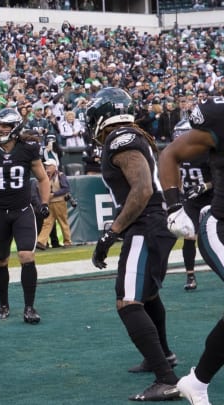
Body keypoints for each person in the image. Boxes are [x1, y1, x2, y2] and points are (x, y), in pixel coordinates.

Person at [86, 87, 180, 401]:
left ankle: (166, 379)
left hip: (147, 224)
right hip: (153, 224)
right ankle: (163, 355)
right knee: (148, 294)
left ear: (102, 116)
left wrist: (111, 233)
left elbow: (140, 189)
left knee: (127, 301)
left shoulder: (120, 139)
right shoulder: (130, 135)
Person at [158, 95, 224, 405]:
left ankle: (195, 383)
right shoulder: (218, 115)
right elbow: (170, 153)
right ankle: (197, 383)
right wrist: (174, 206)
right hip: (221, 226)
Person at [0, 108, 51, 323]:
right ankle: (3, 304)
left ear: (15, 127)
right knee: (0, 260)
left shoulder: (28, 149)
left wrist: (44, 203)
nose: (1, 129)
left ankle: (29, 307)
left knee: (26, 256)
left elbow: (43, 179)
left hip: (22, 211)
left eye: (5, 125)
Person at [170, 119, 213, 291]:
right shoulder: (174, 155)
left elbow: (220, 178)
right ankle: (190, 275)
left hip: (211, 196)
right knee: (189, 235)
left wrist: (205, 186)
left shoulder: (207, 153)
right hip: (191, 199)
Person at [36, 160, 73, 249]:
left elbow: (66, 188)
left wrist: (54, 194)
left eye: (49, 166)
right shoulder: (46, 177)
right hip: (49, 203)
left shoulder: (60, 176)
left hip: (59, 202)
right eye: (46, 166)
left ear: (54, 166)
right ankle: (41, 242)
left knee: (63, 222)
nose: (47, 168)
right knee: (47, 223)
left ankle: (67, 241)